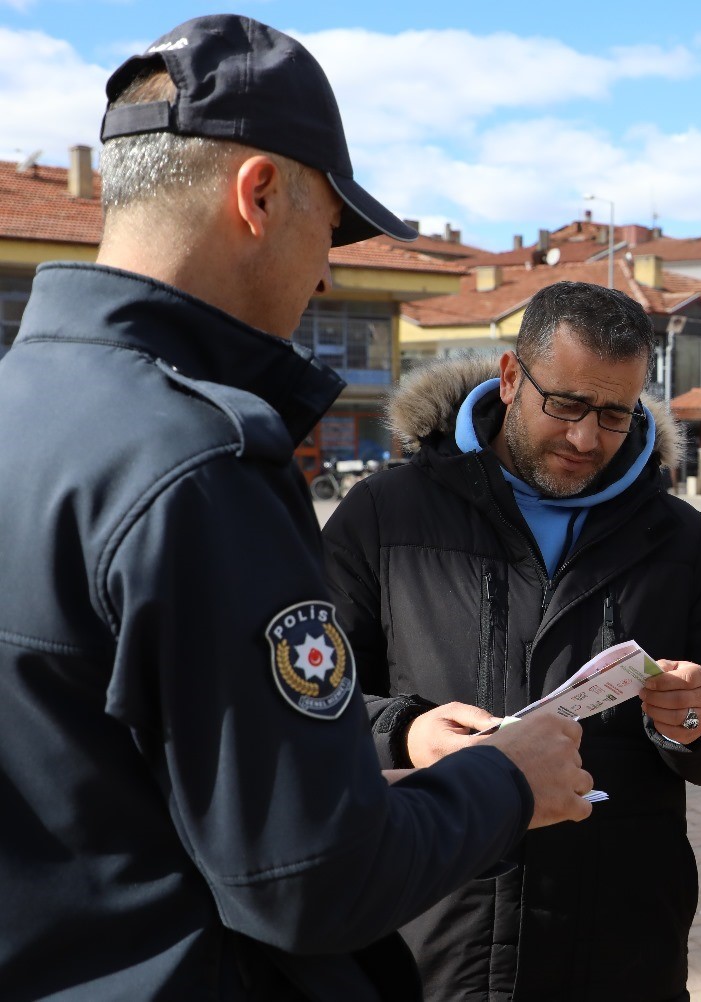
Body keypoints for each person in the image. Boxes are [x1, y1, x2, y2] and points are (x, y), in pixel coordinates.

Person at [0, 16, 593, 1000]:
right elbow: (308, 883)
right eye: (330, 228)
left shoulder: (25, 406)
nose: (325, 274)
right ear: (260, 192)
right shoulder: (196, 463)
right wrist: (507, 780)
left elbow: (111, 790)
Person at [321, 280, 701, 1001]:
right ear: (511, 378)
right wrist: (404, 733)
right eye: (565, 405)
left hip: (625, 951)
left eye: (614, 414)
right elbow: (304, 705)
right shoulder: (385, 514)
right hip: (433, 941)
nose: (586, 437)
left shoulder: (677, 535)